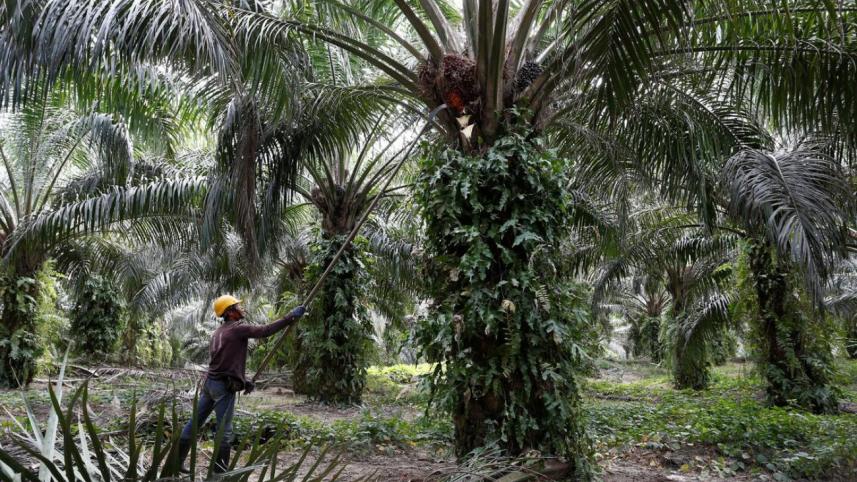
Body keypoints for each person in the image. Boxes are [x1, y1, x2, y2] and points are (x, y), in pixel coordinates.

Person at [176, 295, 306, 474]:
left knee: (194, 423)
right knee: (224, 432)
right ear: (230, 312)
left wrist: (243, 382)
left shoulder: (218, 333)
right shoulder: (237, 329)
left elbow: (224, 364)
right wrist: (290, 316)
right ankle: (219, 473)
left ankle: (176, 463)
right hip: (222, 388)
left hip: (210, 384)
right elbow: (265, 331)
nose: (241, 309)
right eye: (237, 306)